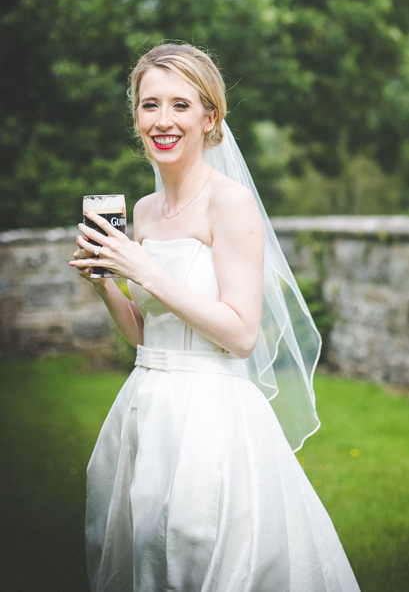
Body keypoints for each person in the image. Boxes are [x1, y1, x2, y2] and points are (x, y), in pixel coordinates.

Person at [70, 43, 361, 592]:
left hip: (211, 414)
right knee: (146, 555)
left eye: (180, 105)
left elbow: (241, 333)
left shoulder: (229, 204)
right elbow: (143, 333)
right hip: (144, 408)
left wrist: (145, 270)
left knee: (200, 556)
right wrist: (107, 278)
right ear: (135, 116)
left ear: (210, 117)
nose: (163, 120)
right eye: (149, 104)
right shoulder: (146, 210)